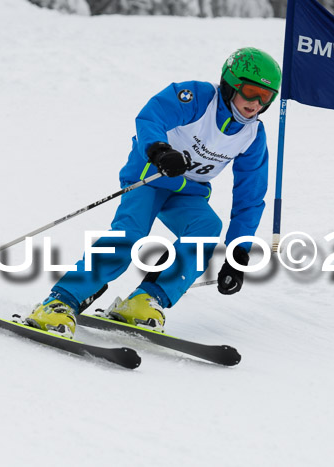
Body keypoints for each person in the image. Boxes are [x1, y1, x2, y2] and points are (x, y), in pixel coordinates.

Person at [22, 47, 282, 338]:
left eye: (266, 96)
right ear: (231, 83)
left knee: (208, 227)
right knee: (130, 234)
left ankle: (146, 299)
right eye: (250, 91)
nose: (256, 103)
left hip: (188, 191)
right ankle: (61, 301)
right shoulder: (197, 97)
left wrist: (238, 254)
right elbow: (151, 116)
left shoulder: (252, 136)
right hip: (150, 175)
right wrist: (160, 150)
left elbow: (250, 197)